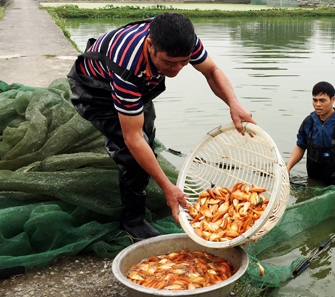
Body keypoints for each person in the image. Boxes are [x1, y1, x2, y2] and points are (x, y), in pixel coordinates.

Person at [67, 12, 254, 239]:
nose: (176, 70)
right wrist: (168, 187)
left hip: (137, 80)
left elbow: (211, 71)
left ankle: (141, 190)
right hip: (95, 90)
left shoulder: (185, 40)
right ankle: (132, 221)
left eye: (183, 62)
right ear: (150, 44)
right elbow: (133, 139)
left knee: (148, 137)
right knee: (130, 151)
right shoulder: (127, 67)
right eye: (168, 62)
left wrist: (233, 104)